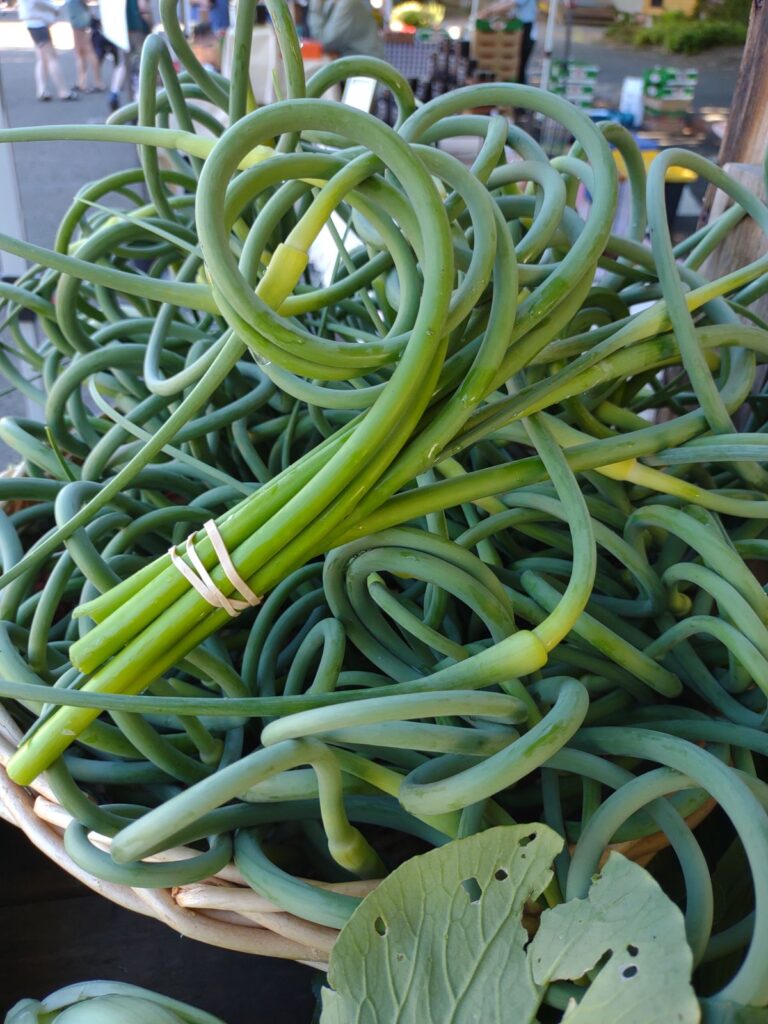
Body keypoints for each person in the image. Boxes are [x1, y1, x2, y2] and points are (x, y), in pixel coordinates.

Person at [18, 0, 79, 101]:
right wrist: (53, 8)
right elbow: (37, 2)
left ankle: (41, 90)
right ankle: (63, 91)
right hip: (38, 21)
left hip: (33, 20)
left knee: (42, 57)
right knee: (52, 58)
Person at [99, 0, 151, 112]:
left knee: (124, 62)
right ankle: (138, 102)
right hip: (136, 25)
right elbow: (142, 7)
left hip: (120, 27)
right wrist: (150, 23)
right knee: (139, 63)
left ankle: (115, 92)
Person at [478, 0, 538, 84]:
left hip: (527, 29)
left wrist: (489, 11)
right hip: (517, 29)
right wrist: (489, 10)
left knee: (519, 67)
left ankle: (521, 91)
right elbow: (503, 2)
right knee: (511, 66)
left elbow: (510, 4)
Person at [307, 0, 384, 60]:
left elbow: (323, 42)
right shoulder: (336, 3)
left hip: (367, 69)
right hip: (358, 63)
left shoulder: (348, 4)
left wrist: (315, 7)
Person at [65, 0, 104, 91]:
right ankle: (81, 81)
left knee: (88, 50)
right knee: (80, 51)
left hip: (79, 17)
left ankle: (98, 82)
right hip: (77, 15)